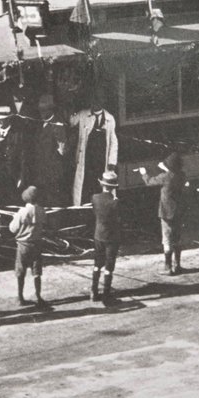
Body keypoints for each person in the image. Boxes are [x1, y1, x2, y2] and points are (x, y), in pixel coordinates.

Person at [137, 153, 187, 275]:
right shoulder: (182, 175)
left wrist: (143, 173)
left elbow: (149, 182)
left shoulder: (164, 177)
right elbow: (173, 174)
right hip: (179, 211)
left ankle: (167, 267)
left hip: (166, 212)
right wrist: (165, 168)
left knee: (167, 239)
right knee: (177, 238)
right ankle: (177, 265)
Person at [72, 101, 120, 207]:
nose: (96, 104)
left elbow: (113, 142)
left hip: (101, 160)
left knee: (100, 187)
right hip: (87, 160)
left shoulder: (109, 118)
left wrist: (112, 162)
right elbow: (71, 121)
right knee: (86, 188)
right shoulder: (83, 114)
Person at [27, 95, 69, 207]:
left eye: (44, 110)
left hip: (52, 174)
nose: (41, 113)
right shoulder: (39, 124)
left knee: (53, 202)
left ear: (51, 110)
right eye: (40, 110)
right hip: (40, 172)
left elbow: (63, 151)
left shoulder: (58, 125)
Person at [8, 186, 46, 305]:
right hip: (37, 244)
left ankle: (20, 297)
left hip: (23, 245)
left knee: (21, 271)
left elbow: (12, 229)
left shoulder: (22, 212)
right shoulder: (42, 211)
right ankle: (38, 296)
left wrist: (15, 218)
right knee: (36, 271)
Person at [91, 171, 121, 302]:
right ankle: (106, 294)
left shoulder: (95, 198)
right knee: (109, 265)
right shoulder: (115, 202)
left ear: (102, 184)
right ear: (114, 187)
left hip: (98, 234)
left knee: (97, 263)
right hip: (111, 237)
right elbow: (118, 219)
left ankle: (93, 291)